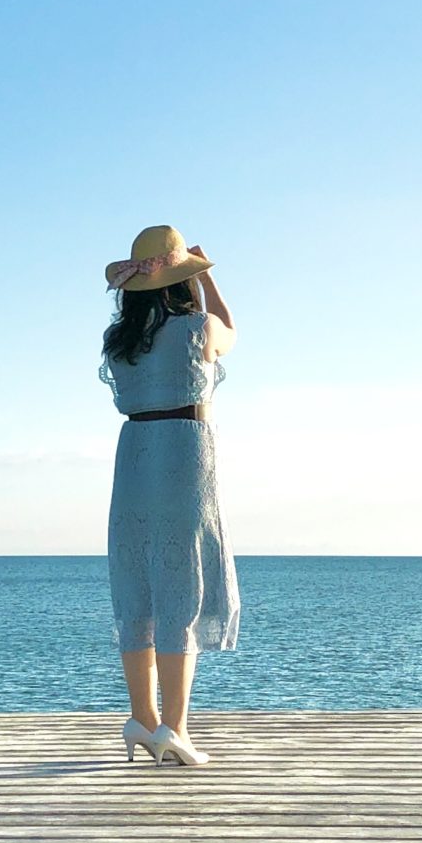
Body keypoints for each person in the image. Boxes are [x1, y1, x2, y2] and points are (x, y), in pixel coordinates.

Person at [100, 224, 239, 766]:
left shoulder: (120, 341)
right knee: (181, 585)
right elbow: (230, 330)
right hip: (184, 451)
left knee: (138, 586)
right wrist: (209, 281)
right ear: (181, 280)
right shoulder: (197, 327)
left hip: (134, 453)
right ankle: (175, 730)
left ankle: (142, 717)